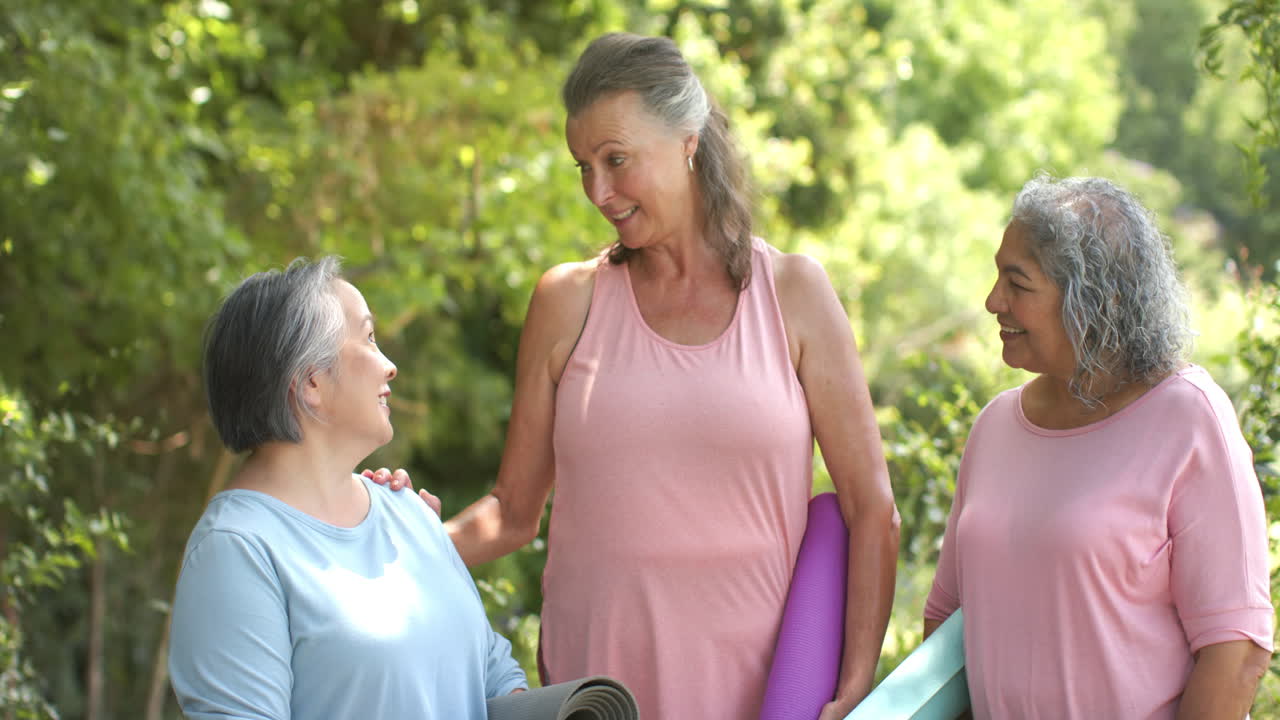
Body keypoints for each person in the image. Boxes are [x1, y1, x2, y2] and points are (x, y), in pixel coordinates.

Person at [379, 31, 898, 719]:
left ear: (687, 138)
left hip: (756, 697)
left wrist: (853, 683)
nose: (598, 190)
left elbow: (871, 510)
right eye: (583, 167)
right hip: (596, 697)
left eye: (616, 160)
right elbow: (512, 512)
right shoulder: (567, 300)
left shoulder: (795, 293)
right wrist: (389, 550)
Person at [923, 175, 1274, 718]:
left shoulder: (1188, 419)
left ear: (1097, 299)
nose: (994, 301)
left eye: (1018, 283)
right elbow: (946, 628)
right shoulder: (994, 427)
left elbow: (1236, 652)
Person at [168, 257, 526, 719]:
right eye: (369, 339)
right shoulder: (237, 550)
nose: (390, 366)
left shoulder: (409, 513)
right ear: (312, 381)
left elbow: (495, 676)